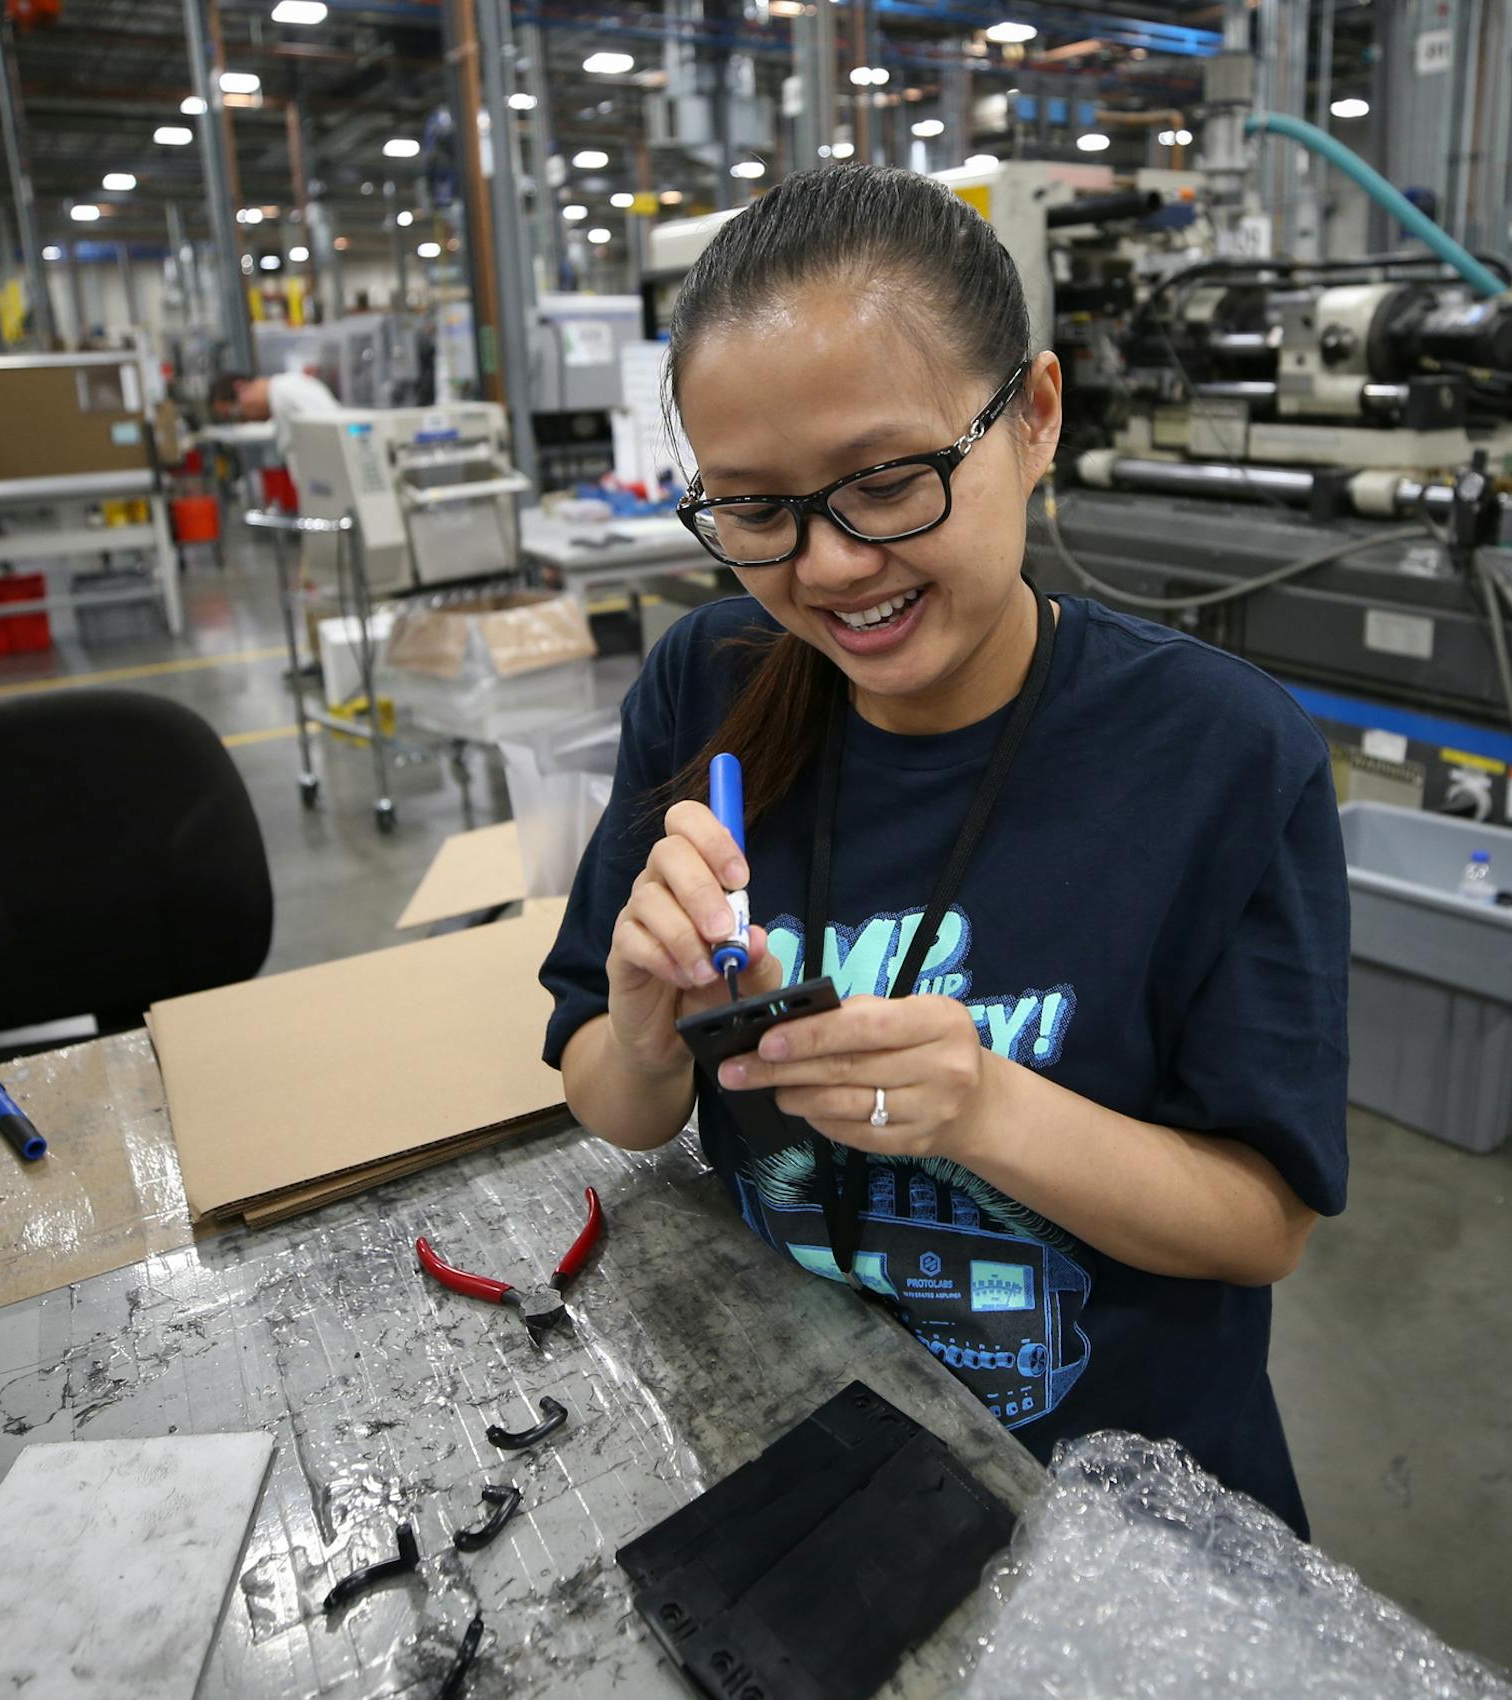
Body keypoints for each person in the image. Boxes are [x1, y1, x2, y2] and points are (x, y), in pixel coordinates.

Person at [538, 164, 1349, 1536]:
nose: (832, 566)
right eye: (755, 511)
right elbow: (614, 1105)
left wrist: (985, 1110)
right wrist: (644, 1031)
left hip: (1111, 1501)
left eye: (888, 482)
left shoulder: (1219, 754)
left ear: (1033, 420)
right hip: (797, 1444)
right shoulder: (711, 683)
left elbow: (1262, 1221)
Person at [209, 366, 340, 461]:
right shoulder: (279, 400)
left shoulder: (289, 390)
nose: (244, 421)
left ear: (240, 387)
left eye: (235, 414)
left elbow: (337, 436)